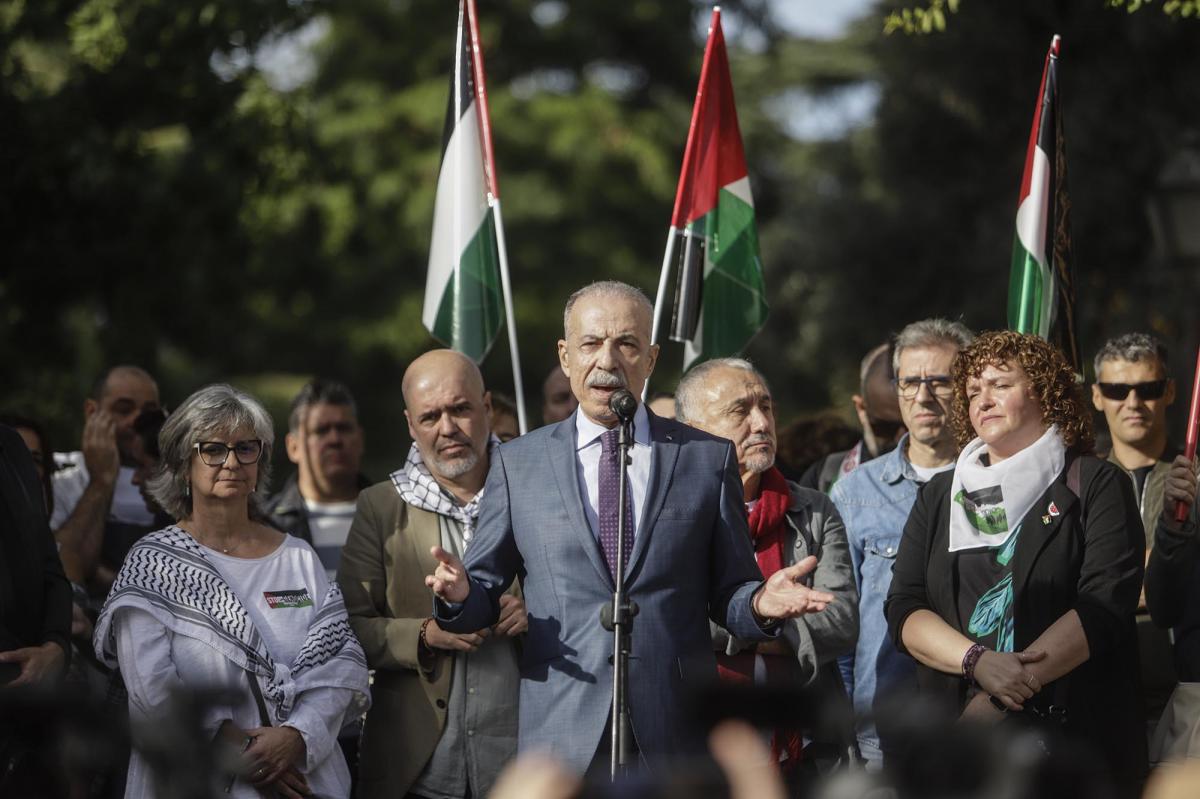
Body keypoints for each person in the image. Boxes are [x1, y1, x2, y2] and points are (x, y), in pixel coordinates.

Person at [425, 281, 835, 774]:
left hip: (674, 726)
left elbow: (730, 593)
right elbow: (482, 593)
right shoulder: (518, 463)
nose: (608, 360)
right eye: (591, 343)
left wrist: (759, 604)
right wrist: (459, 596)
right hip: (563, 727)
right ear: (565, 356)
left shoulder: (705, 459)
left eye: (626, 344)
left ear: (651, 358)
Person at [885, 331, 1147, 796]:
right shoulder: (940, 496)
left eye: (1000, 385)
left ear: (1044, 392)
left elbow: (1104, 605)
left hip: (1070, 750)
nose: (983, 400)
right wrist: (976, 662)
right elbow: (905, 606)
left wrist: (999, 697)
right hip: (958, 746)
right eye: (972, 392)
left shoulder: (1096, 483)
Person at [92, 384, 370, 799]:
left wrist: (296, 737)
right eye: (213, 449)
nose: (232, 462)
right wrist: (248, 754)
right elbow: (152, 692)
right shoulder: (153, 564)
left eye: (246, 448)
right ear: (183, 464)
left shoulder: (298, 557)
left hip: (306, 778)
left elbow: (338, 666)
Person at [339, 349, 524, 799]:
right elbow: (345, 629)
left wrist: (534, 611)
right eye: (430, 416)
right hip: (416, 770)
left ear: (486, 407)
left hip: (523, 765)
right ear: (410, 424)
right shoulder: (380, 507)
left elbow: (584, 596)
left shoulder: (535, 490)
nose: (447, 428)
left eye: (460, 409)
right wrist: (424, 635)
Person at [675, 357, 857, 773]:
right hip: (700, 749)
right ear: (693, 429)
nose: (761, 423)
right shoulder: (669, 514)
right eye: (740, 410)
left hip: (805, 751)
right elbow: (667, 618)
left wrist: (735, 626)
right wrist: (761, 617)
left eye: (766, 406)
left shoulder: (813, 509)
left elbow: (841, 621)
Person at [830, 318, 973, 767]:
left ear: (968, 386)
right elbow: (842, 629)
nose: (923, 396)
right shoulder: (855, 492)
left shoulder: (1000, 483)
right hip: (884, 736)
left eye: (940, 381)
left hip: (981, 724)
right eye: (910, 382)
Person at [1091, 333, 1180, 730]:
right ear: (1097, 396)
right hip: (1103, 697)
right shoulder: (1077, 483)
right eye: (1117, 390)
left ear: (1169, 392)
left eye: (1148, 389)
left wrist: (1116, 579)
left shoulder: (1193, 476)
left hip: (1187, 695)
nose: (1132, 403)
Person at [51, 366, 162, 593]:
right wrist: (101, 482)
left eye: (149, 414)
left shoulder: (178, 481)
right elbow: (62, 567)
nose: (136, 421)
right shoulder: (60, 478)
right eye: (124, 410)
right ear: (92, 412)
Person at [265, 379, 369, 582]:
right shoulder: (266, 523)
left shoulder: (392, 517)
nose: (334, 439)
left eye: (344, 428)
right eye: (321, 430)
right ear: (293, 447)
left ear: (360, 439)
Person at [800, 343, 906, 494]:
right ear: (861, 409)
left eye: (910, 427)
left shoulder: (941, 481)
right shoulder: (824, 479)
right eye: (886, 428)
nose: (901, 438)